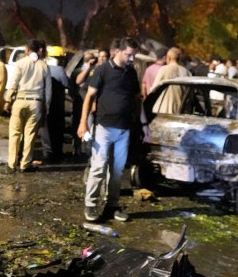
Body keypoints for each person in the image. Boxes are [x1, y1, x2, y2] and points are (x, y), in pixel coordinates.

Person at [77, 36, 140, 223]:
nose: (132, 59)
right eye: (129, 55)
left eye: (134, 55)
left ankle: (111, 206)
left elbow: (137, 98)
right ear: (118, 51)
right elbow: (89, 97)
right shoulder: (103, 70)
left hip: (124, 130)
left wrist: (140, 123)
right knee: (98, 167)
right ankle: (90, 205)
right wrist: (83, 123)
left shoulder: (131, 73)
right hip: (103, 128)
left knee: (117, 171)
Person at [4, 38, 50, 172]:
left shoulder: (20, 64)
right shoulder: (44, 66)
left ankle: (11, 164)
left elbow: (13, 83)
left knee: (15, 133)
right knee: (30, 135)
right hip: (35, 102)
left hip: (19, 100)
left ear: (27, 49)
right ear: (39, 50)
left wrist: (8, 100)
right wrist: (46, 105)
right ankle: (25, 163)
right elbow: (48, 89)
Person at [150, 47, 191, 114]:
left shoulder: (164, 69)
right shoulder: (187, 73)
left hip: (162, 110)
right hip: (180, 112)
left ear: (168, 58)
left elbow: (154, 89)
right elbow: (190, 96)